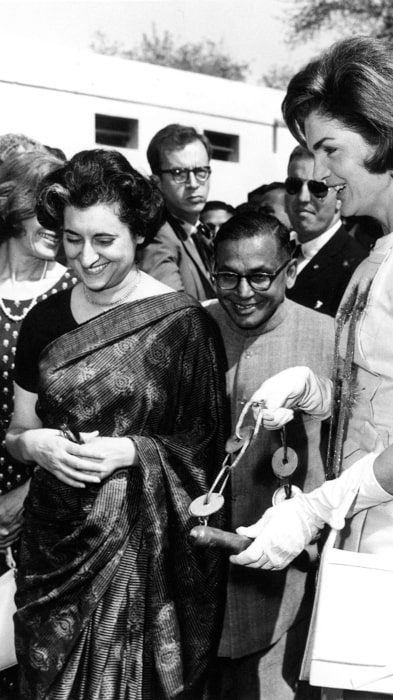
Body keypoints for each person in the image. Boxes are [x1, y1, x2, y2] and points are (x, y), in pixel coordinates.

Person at [231, 36, 393, 700]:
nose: (317, 175)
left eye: (330, 150)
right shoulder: (389, 246)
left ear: (386, 137)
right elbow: (389, 390)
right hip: (372, 520)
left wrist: (314, 509)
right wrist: (314, 391)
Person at [6, 149, 228, 700]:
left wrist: (134, 452)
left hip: (141, 556)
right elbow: (17, 430)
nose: (86, 257)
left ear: (137, 236)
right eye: (73, 239)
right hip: (54, 551)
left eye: (105, 240)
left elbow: (209, 449)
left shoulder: (182, 325)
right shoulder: (45, 321)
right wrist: (32, 445)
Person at [204, 211, 334, 699]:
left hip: (289, 577)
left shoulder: (330, 337)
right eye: (227, 276)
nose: (242, 292)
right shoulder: (192, 329)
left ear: (291, 269)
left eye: (260, 276)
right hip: (198, 579)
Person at [0, 150, 77, 700]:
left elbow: (87, 415)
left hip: (45, 505)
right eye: (45, 210)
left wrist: (26, 494)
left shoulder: (73, 295)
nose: (58, 225)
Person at [284, 145, 367, 316]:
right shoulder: (278, 252)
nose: (303, 198)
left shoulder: (357, 269)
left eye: (317, 188)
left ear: (339, 196)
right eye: (294, 185)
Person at [138, 123, 216, 300]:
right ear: (157, 182)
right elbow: (171, 312)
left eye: (200, 171)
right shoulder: (158, 237)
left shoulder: (197, 230)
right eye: (179, 173)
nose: (193, 184)